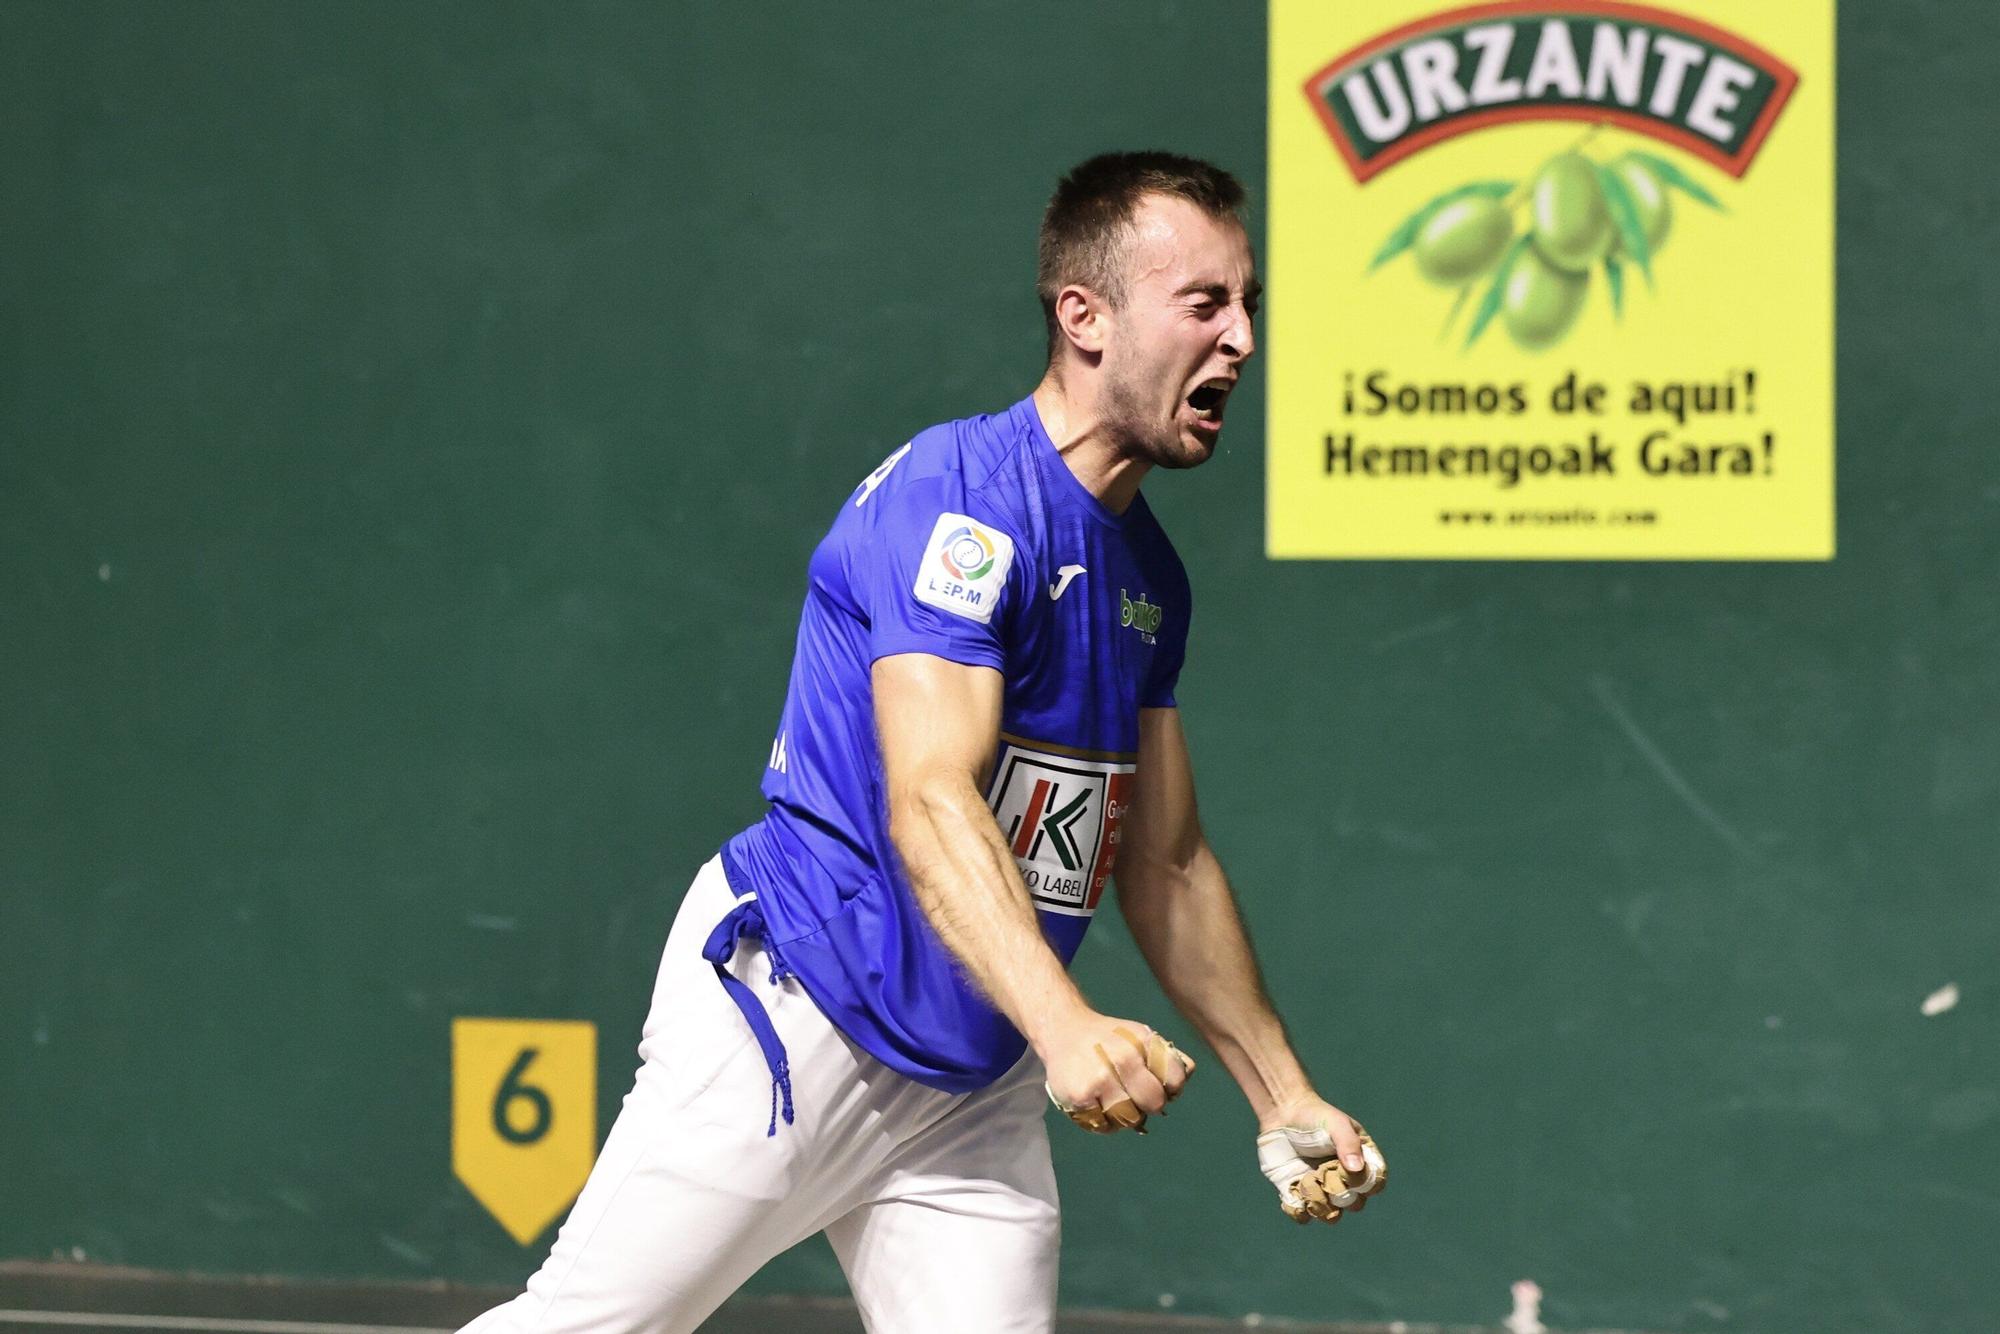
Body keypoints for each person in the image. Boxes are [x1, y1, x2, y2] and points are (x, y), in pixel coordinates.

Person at [461, 150, 1382, 1334]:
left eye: (1248, 304)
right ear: (1083, 317)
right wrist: (1067, 1028)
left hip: (971, 1088)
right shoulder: (962, 507)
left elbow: (1164, 864)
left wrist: (1281, 1092)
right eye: (1204, 303)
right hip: (796, 1013)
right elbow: (930, 797)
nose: (1242, 338)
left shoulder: (1149, 577)